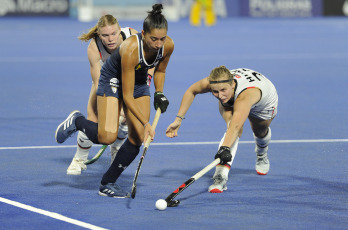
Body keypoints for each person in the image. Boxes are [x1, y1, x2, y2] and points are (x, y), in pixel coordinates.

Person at [55, 4, 174, 198]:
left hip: (139, 81)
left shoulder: (167, 45)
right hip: (112, 79)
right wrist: (145, 123)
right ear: (143, 34)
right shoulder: (130, 49)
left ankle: (107, 183)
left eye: (162, 38)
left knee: (136, 139)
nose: (159, 44)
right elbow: (126, 96)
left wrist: (159, 93)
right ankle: (77, 121)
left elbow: (160, 70)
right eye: (154, 39)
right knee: (107, 136)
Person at [166, 66, 278, 193]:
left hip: (264, 104)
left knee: (260, 131)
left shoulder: (245, 96)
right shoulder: (217, 84)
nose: (220, 96)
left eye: (223, 90)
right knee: (233, 127)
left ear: (232, 84)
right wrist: (178, 120)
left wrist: (224, 149)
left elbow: (235, 127)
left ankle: (262, 153)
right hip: (235, 97)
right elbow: (191, 91)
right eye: (215, 92)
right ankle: (220, 176)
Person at [67, 14, 155, 175]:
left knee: (128, 121)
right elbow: (98, 82)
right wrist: (117, 104)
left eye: (114, 33)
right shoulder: (94, 48)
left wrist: (147, 79)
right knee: (94, 119)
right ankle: (79, 159)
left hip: (131, 81)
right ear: (99, 35)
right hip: (105, 82)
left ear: (119, 29)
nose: (110, 39)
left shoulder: (133, 37)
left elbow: (151, 61)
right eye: (105, 35)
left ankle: (116, 150)